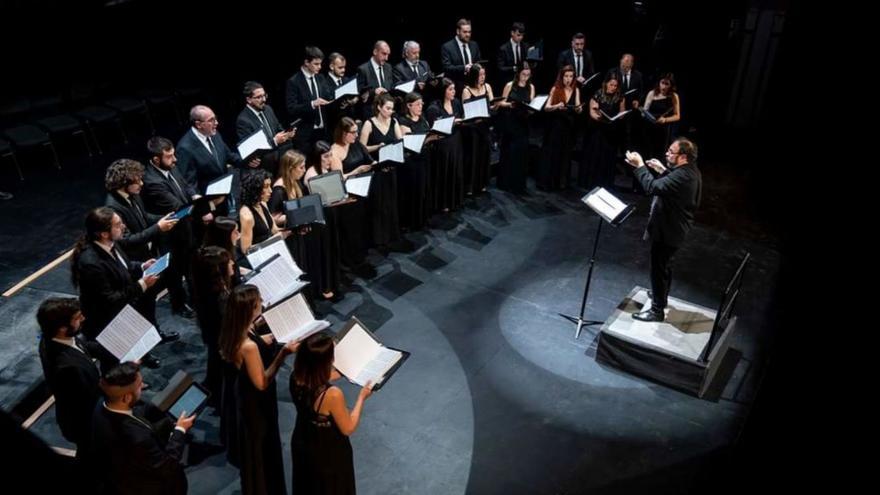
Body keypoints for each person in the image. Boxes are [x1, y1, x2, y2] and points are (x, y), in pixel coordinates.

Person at [218, 285, 298, 495]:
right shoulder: (248, 346)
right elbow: (262, 382)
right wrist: (283, 354)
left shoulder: (234, 331)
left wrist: (269, 334)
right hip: (256, 407)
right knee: (262, 454)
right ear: (249, 310)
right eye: (258, 302)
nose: (262, 303)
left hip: (243, 401)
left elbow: (255, 338)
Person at [624, 137, 702, 322]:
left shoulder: (684, 175)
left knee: (659, 269)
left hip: (670, 230)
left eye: (671, 152)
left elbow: (652, 187)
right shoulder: (688, 170)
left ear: (683, 156)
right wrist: (662, 170)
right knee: (663, 266)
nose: (667, 153)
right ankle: (660, 297)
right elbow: (671, 185)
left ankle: (657, 310)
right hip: (673, 228)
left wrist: (640, 166)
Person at [90, 362, 194, 495]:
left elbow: (136, 412)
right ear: (126, 397)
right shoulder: (138, 437)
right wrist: (180, 429)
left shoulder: (101, 405)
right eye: (140, 386)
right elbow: (167, 465)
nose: (143, 387)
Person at [290, 332, 372, 495]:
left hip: (303, 441)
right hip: (327, 452)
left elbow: (321, 376)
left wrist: (347, 372)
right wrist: (362, 398)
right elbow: (348, 428)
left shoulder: (297, 377)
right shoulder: (332, 394)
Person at [70, 207, 161, 342]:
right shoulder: (91, 263)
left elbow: (123, 266)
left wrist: (142, 266)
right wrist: (142, 284)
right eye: (118, 225)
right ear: (104, 234)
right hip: (107, 319)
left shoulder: (111, 243)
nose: (123, 226)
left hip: (123, 307)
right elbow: (110, 299)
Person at [37, 297, 103, 460]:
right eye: (77, 317)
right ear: (61, 327)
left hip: (81, 416)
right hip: (85, 423)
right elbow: (90, 396)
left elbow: (82, 347)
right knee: (92, 456)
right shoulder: (69, 368)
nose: (83, 319)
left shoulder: (55, 337)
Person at [359, 93, 404, 251]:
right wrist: (377, 147)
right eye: (388, 108)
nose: (391, 111)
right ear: (379, 107)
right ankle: (379, 238)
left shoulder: (394, 121)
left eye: (392, 108)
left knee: (391, 201)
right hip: (376, 168)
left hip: (391, 166)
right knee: (379, 204)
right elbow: (362, 148)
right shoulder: (369, 124)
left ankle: (391, 234)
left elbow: (400, 141)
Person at [236, 80, 296, 177]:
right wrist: (275, 141)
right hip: (264, 168)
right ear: (249, 99)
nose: (263, 99)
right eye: (259, 97)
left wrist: (286, 135)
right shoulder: (243, 120)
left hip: (279, 161)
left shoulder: (267, 109)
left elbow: (278, 128)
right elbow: (251, 149)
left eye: (264, 96)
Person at [538, 65, 581, 191]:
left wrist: (579, 109)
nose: (568, 79)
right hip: (556, 125)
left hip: (568, 126)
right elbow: (546, 107)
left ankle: (562, 182)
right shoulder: (555, 89)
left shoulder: (576, 90)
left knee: (565, 154)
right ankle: (550, 181)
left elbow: (578, 107)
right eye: (566, 76)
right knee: (554, 153)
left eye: (571, 76)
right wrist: (557, 106)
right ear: (561, 77)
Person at [425, 78, 465, 211]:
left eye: (454, 89)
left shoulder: (456, 103)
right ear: (443, 91)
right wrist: (452, 123)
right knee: (444, 173)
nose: (454, 92)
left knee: (455, 171)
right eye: (450, 89)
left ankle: (455, 200)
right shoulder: (433, 108)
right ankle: (443, 203)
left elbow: (462, 117)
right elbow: (433, 128)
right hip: (442, 144)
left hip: (456, 141)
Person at [496, 63, 535, 195]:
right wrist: (510, 105)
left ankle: (518, 183)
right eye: (523, 74)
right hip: (511, 122)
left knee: (521, 153)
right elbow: (501, 103)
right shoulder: (509, 85)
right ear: (518, 73)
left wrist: (531, 110)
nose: (525, 77)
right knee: (510, 152)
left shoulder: (531, 87)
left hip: (523, 122)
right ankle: (506, 182)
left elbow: (532, 104)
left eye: (528, 75)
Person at [287, 46, 332, 154]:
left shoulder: (320, 78)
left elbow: (329, 97)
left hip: (323, 132)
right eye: (316, 64)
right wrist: (312, 104)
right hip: (305, 135)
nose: (320, 67)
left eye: (320, 64)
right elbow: (291, 108)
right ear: (306, 62)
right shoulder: (294, 82)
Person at [461, 63, 496, 195]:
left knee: (484, 154)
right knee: (473, 156)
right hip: (473, 128)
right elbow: (467, 111)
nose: (483, 77)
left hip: (484, 125)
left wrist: (494, 106)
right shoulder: (467, 90)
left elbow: (491, 104)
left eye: (484, 74)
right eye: (480, 75)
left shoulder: (487, 87)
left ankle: (482, 183)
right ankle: (470, 185)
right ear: (474, 76)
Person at [643, 72, 681, 159]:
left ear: (671, 85)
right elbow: (645, 111)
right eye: (662, 83)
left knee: (661, 154)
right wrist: (645, 114)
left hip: (664, 130)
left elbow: (677, 116)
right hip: (650, 127)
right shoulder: (652, 93)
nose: (663, 86)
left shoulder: (673, 96)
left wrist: (665, 120)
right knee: (649, 153)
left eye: (667, 84)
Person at [440, 18, 482, 88]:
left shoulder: (474, 45)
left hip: (473, 85)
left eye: (469, 32)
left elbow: (478, 62)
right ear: (458, 31)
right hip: (457, 87)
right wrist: (464, 68)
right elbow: (447, 68)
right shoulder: (447, 47)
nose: (468, 35)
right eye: (465, 32)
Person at [496, 22, 528, 88]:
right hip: (509, 81)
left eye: (522, 35)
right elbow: (500, 67)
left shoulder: (525, 46)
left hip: (523, 81)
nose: (521, 38)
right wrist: (514, 68)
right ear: (512, 33)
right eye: (518, 35)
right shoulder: (503, 49)